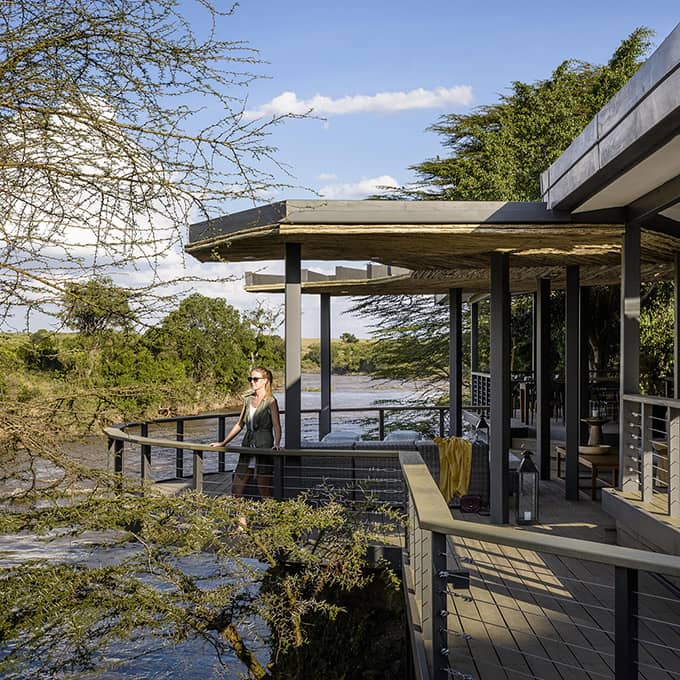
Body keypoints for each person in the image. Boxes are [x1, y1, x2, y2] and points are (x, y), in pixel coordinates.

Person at [211, 367, 281, 498]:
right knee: (236, 489)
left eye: (255, 379)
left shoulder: (271, 401)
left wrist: (276, 443)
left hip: (264, 446)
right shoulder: (248, 399)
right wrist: (223, 442)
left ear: (265, 381)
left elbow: (276, 426)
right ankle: (241, 519)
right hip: (247, 445)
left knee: (264, 491)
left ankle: (269, 517)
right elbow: (239, 424)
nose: (252, 382)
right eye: (250, 379)